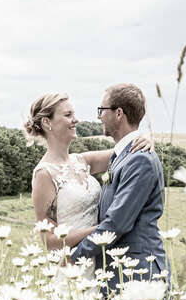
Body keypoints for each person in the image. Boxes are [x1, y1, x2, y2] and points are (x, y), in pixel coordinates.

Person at [27, 93, 153, 275]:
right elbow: (49, 240)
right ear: (48, 123)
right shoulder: (44, 174)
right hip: (72, 265)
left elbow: (127, 151)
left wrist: (146, 137)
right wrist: (102, 230)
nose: (76, 120)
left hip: (103, 261)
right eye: (68, 115)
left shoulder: (83, 161)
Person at [71, 84, 169, 292]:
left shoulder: (139, 160)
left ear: (118, 113)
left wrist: (74, 257)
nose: (99, 117)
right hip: (119, 275)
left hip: (140, 276)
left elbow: (117, 224)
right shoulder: (123, 155)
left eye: (102, 110)